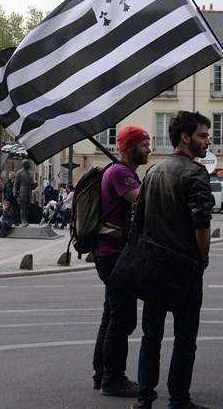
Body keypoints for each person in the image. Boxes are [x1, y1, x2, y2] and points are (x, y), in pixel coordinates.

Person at [132, 111, 214, 409]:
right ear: (185, 136)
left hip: (153, 266)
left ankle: (144, 397)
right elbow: (201, 225)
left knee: (151, 336)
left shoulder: (153, 172)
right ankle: (178, 399)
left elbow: (137, 221)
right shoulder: (196, 174)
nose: (208, 141)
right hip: (184, 268)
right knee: (184, 339)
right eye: (203, 135)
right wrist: (202, 260)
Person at [93, 126, 151, 398]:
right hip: (115, 254)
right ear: (129, 148)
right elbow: (141, 202)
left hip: (110, 253)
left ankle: (101, 373)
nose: (149, 149)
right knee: (123, 319)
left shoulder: (121, 171)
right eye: (143, 144)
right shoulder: (119, 173)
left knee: (111, 315)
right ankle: (113, 378)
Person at [14, 160, 35, 227]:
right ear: (25, 164)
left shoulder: (30, 173)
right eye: (28, 164)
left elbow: (31, 183)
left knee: (27, 208)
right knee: (23, 207)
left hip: (28, 191)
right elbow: (16, 184)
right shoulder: (19, 173)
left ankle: (25, 220)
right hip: (22, 190)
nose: (29, 166)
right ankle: (23, 221)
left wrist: (33, 185)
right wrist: (14, 192)